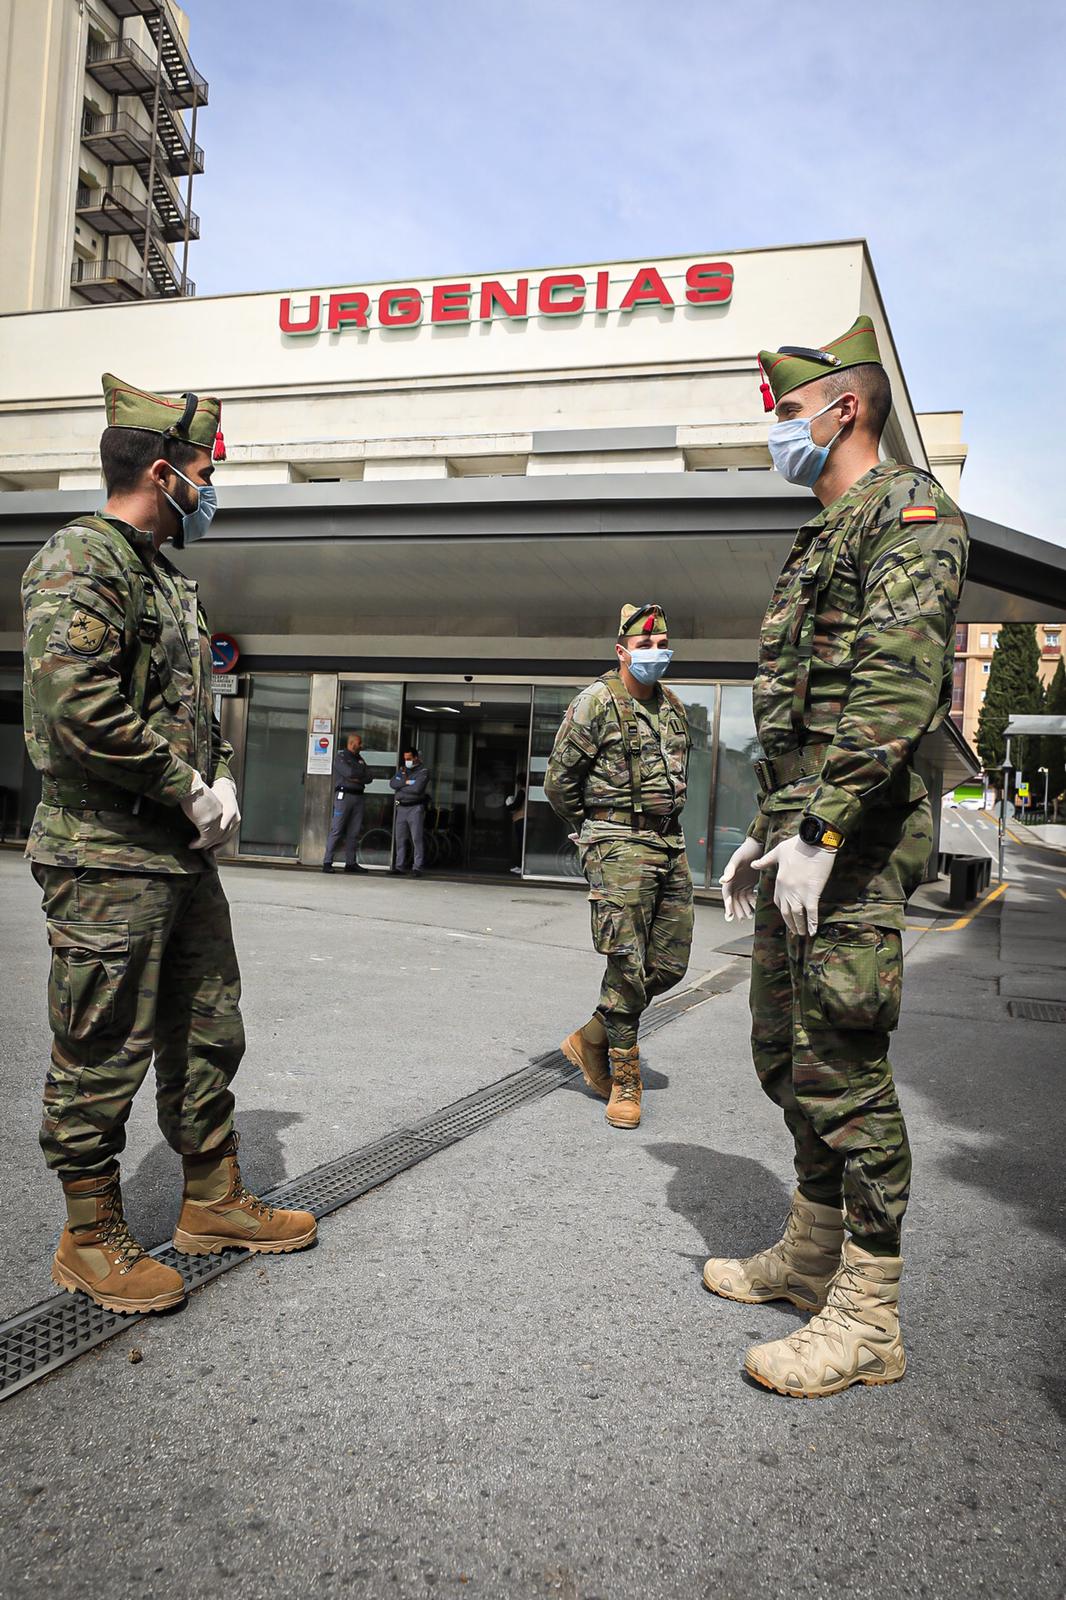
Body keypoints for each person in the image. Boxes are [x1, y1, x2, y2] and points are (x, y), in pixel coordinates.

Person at [707, 317, 968, 1397]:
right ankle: (812, 1249)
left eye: (785, 413)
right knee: (785, 1052)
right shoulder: (822, 534)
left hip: (853, 849)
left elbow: (895, 689)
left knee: (842, 1067)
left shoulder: (909, 515)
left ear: (841, 409)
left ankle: (867, 1314)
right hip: (806, 841)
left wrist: (818, 833)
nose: (778, 432)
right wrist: (772, 835)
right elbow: (803, 719)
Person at [20, 372, 317, 1317]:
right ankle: (89, 1233)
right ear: (163, 471)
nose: (211, 487)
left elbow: (193, 709)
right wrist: (181, 784)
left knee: (206, 1027)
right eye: (205, 470)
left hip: (175, 858)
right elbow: (74, 705)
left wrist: (219, 771)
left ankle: (211, 1198)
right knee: (101, 1046)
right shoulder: (82, 559)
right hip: (106, 857)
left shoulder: (164, 580)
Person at [545, 604, 694, 1129]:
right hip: (617, 843)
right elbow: (558, 782)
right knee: (628, 965)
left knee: (670, 964)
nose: (656, 653)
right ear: (622, 651)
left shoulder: (673, 707)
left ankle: (589, 1037)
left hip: (667, 843)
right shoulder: (595, 703)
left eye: (662, 644)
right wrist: (592, 832)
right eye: (645, 646)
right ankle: (623, 1078)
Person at [323, 731, 369, 873]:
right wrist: (358, 775)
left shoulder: (360, 759)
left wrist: (357, 777)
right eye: (359, 743)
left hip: (358, 797)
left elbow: (370, 776)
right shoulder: (340, 757)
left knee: (354, 832)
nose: (361, 745)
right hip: (344, 796)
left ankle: (350, 863)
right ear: (352, 743)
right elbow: (349, 773)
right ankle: (327, 862)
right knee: (337, 829)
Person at [390, 747, 429, 875]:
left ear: (416, 757)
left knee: (416, 838)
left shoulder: (423, 771)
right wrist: (408, 782)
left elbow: (417, 789)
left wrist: (401, 786)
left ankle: (417, 867)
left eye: (409, 759)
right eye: (405, 759)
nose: (407, 761)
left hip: (415, 808)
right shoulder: (402, 770)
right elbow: (392, 784)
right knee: (400, 838)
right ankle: (399, 866)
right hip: (401, 808)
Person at [505, 770, 527, 874]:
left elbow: (516, 805)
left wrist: (507, 807)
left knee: (521, 843)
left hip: (521, 819)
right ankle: (523, 865)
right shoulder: (528, 791)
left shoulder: (522, 792)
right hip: (525, 819)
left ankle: (520, 866)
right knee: (523, 843)